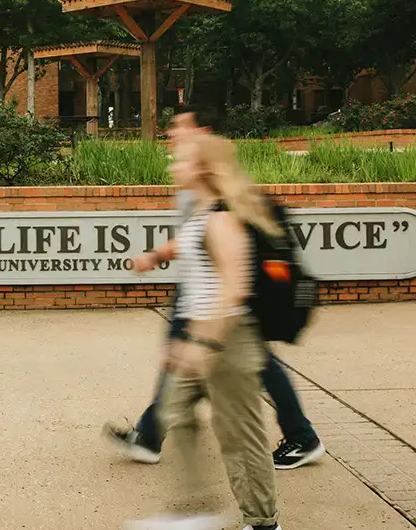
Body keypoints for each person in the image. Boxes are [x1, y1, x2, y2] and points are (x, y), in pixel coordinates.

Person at [103, 114, 323, 471]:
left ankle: (298, 440)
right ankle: (152, 435)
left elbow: (228, 261)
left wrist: (208, 331)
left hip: (218, 304)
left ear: (203, 134)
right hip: (199, 296)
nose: (173, 133)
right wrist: (157, 256)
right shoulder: (194, 187)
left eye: (181, 126)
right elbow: (194, 239)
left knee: (253, 370)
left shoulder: (216, 182)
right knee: (192, 363)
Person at [125, 132, 282, 530]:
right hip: (202, 335)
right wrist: (155, 257)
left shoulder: (222, 217)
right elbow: (191, 253)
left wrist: (205, 343)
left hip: (227, 340)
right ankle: (195, 510)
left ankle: (263, 524)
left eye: (180, 159)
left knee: (239, 437)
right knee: (173, 411)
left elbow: (234, 288)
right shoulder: (203, 213)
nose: (172, 166)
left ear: (202, 169)